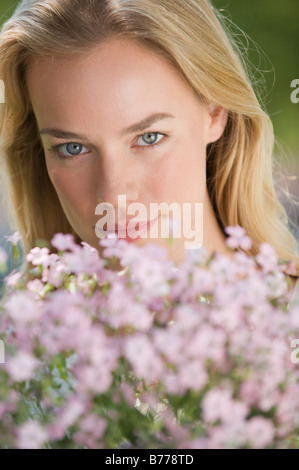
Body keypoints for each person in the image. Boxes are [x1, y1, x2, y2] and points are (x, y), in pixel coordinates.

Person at [0, 0, 298, 293]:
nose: (114, 196)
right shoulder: (27, 334)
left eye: (149, 137)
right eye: (73, 148)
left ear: (215, 113)